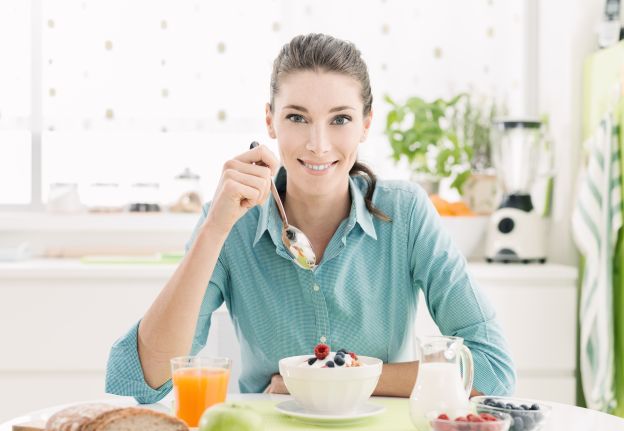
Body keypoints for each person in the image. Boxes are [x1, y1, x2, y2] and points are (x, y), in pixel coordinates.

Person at [105, 33, 515, 404]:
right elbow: (139, 381)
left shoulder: (405, 213)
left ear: (366, 124)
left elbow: (493, 371)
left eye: (340, 119)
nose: (318, 145)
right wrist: (214, 230)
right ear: (270, 121)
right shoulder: (232, 221)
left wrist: (335, 377)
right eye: (297, 118)